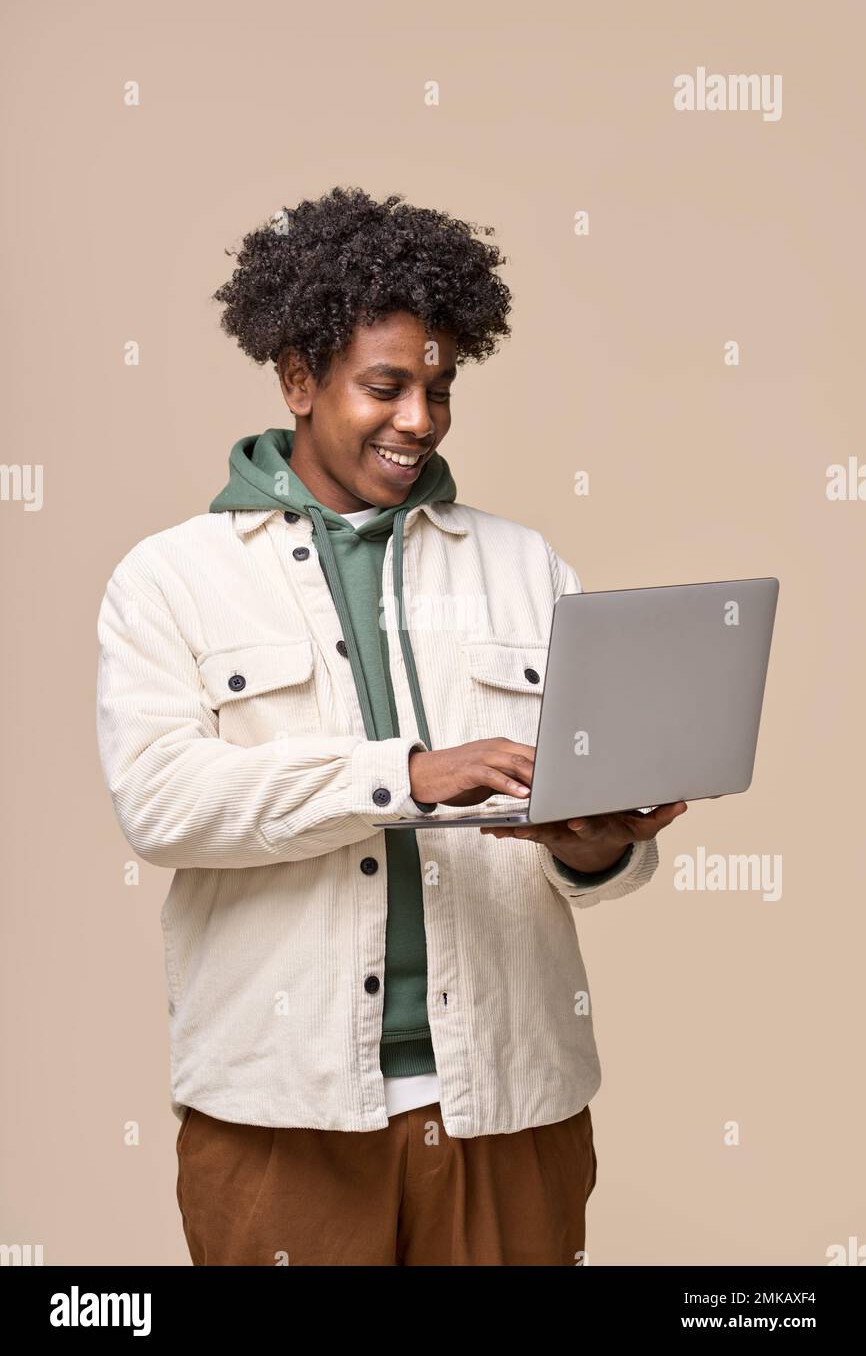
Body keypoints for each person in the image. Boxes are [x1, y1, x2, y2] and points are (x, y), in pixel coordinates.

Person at [95, 186, 687, 1266]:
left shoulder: (525, 567)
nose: (419, 418)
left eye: (439, 387)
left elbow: (580, 850)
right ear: (296, 378)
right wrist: (405, 775)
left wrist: (597, 848)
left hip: (510, 1107)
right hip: (282, 1121)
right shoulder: (169, 579)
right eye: (386, 386)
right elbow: (162, 805)